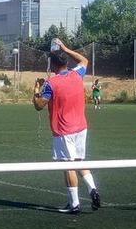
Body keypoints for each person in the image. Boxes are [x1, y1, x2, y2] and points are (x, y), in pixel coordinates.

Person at [32, 40, 100, 214]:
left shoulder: (51, 83)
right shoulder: (77, 74)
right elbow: (84, 61)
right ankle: (92, 188)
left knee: (68, 166)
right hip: (81, 127)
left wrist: (36, 90)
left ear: (53, 64)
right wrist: (65, 48)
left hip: (64, 130)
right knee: (79, 161)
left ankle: (74, 204)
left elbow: (39, 105)